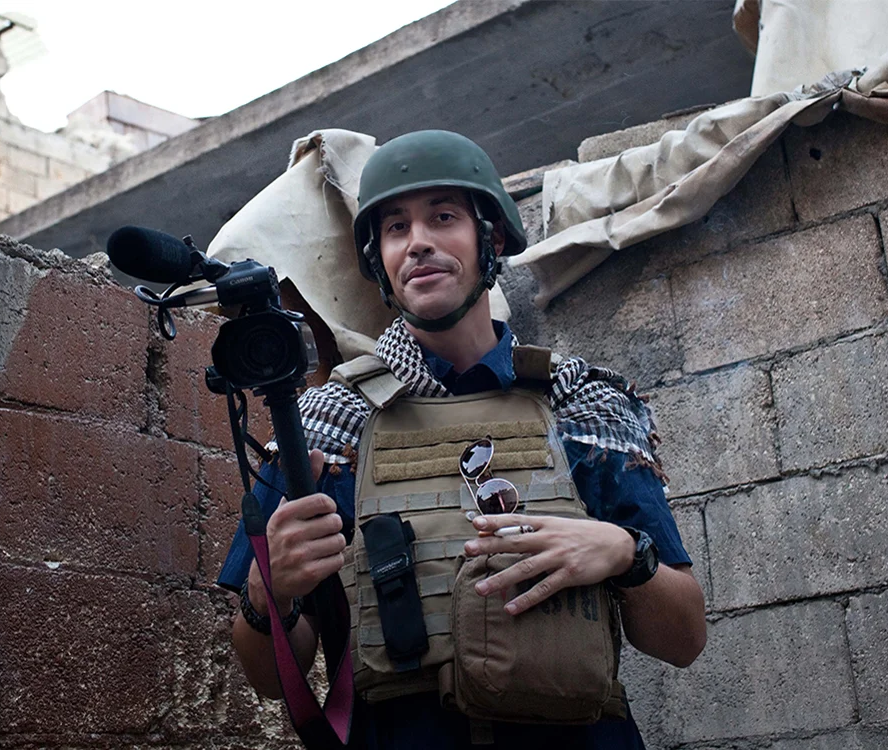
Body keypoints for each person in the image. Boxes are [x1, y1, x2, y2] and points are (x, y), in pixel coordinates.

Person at [217, 130, 706, 749]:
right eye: (395, 229)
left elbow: (684, 638)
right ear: (378, 262)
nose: (417, 242)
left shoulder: (582, 405)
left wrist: (623, 553)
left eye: (443, 218)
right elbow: (266, 676)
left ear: (491, 239)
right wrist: (268, 596)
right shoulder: (322, 425)